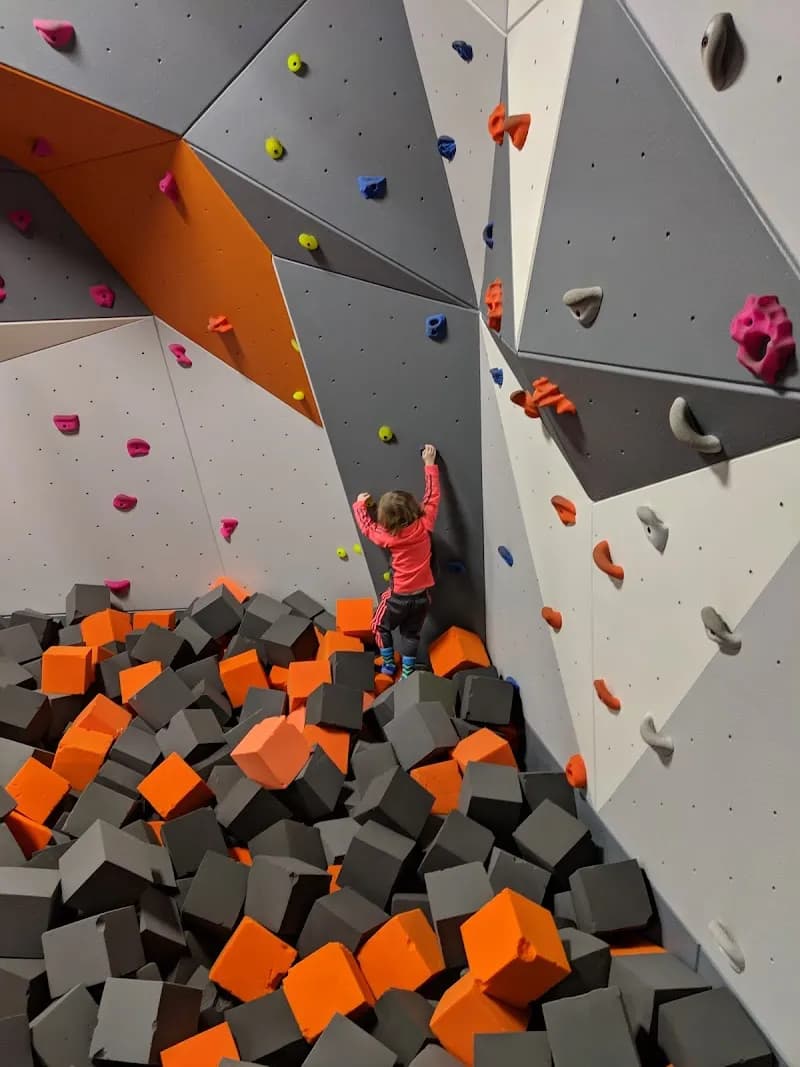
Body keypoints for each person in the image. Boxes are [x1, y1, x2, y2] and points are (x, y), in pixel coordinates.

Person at [352, 444, 440, 678]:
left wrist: (360, 505)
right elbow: (432, 497)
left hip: (398, 597)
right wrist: (429, 465)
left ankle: (389, 664)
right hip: (422, 597)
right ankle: (408, 672)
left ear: (385, 519)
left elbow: (367, 527)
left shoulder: (387, 537)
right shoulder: (424, 525)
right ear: (413, 508)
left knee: (378, 625)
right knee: (411, 634)